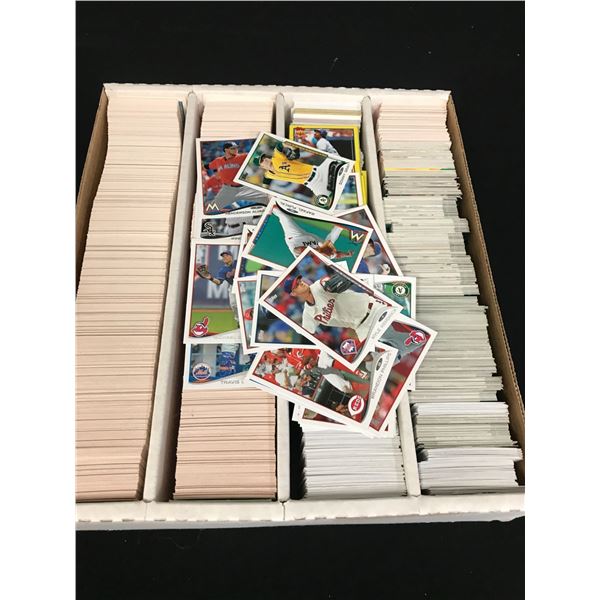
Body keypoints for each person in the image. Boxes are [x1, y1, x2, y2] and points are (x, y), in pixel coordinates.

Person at [284, 274, 390, 343]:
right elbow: (305, 337)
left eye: (299, 280)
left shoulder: (319, 286)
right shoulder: (308, 314)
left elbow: (330, 282)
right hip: (361, 329)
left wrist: (335, 283)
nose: (301, 282)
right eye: (296, 285)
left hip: (373, 310)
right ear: (293, 293)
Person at [253, 141, 349, 208]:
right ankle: (345, 202)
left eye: (264, 157)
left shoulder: (277, 158)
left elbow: (280, 145)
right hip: (313, 184)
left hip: (319, 170)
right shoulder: (268, 175)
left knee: (336, 157)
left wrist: (293, 148)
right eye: (262, 161)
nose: (265, 160)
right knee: (323, 203)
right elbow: (265, 189)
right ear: (261, 166)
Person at [203, 142, 268, 212]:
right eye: (233, 148)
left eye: (236, 148)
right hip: (228, 190)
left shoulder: (243, 156)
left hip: (244, 188)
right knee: (210, 208)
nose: (236, 149)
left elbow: (257, 158)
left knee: (267, 198)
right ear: (226, 150)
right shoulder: (218, 160)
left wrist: (262, 159)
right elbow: (207, 166)